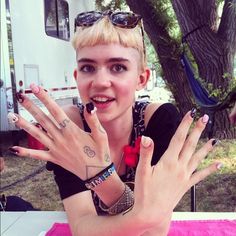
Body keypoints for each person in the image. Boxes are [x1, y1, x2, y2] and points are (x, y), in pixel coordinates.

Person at [7, 10, 222, 236]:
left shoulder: (160, 120)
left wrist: (100, 175)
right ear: (76, 76)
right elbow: (82, 227)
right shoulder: (68, 127)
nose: (100, 82)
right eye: (88, 68)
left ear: (141, 79)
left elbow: (155, 232)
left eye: (118, 67)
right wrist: (141, 216)